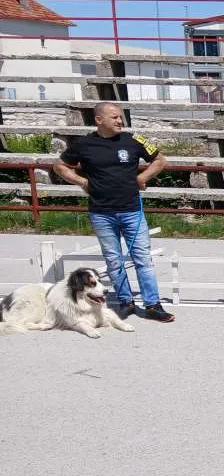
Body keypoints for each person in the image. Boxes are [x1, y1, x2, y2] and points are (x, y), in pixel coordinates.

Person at [52, 102, 175, 322]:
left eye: (121, 117)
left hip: (131, 211)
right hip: (101, 212)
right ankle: (125, 302)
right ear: (99, 120)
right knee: (114, 260)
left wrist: (142, 178)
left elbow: (160, 160)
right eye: (115, 117)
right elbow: (59, 166)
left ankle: (153, 304)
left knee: (142, 259)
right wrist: (81, 181)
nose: (120, 121)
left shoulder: (134, 140)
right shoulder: (84, 144)